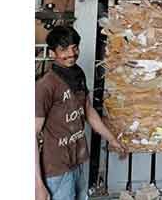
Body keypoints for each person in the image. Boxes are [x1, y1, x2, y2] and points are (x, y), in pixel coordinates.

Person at [36, 25, 127, 200]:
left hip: (76, 160)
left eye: (74, 47)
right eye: (64, 49)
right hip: (55, 168)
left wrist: (111, 139)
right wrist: (38, 184)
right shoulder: (45, 86)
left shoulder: (77, 74)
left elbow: (88, 110)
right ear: (53, 52)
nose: (71, 54)